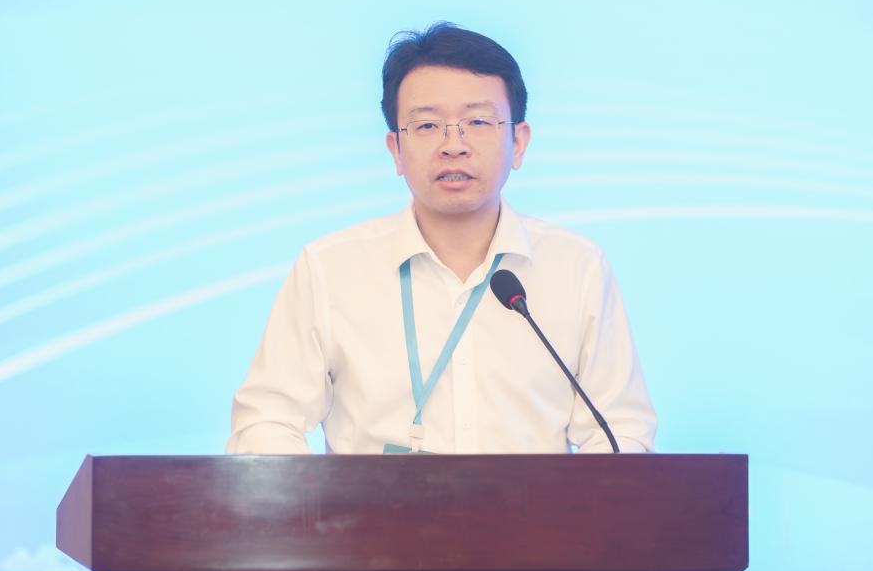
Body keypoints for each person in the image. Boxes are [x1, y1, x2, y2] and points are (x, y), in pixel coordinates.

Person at [226, 22, 657, 454]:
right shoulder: (330, 269)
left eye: (478, 121)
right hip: (372, 503)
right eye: (428, 125)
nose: (454, 145)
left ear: (519, 142)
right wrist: (313, 496)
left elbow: (620, 431)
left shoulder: (576, 267)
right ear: (396, 150)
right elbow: (266, 421)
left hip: (534, 504)